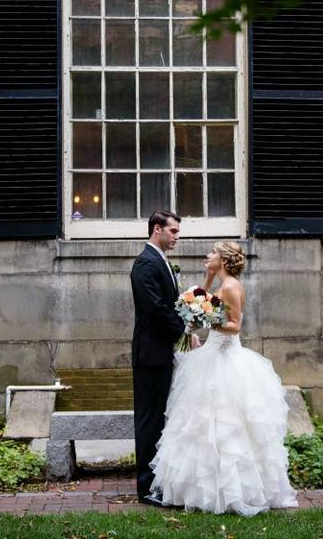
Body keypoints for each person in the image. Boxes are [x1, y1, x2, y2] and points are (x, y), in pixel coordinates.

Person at [149, 241, 299, 516]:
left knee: (225, 427)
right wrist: (204, 285)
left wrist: (205, 320)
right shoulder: (221, 282)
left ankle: (230, 492)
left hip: (225, 358)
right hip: (209, 355)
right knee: (198, 425)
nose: (208, 256)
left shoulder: (231, 287)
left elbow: (235, 326)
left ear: (225, 260)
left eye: (213, 253)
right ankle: (200, 490)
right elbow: (202, 297)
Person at [130, 210, 186, 504]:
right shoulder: (145, 264)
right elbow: (155, 308)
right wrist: (184, 332)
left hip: (161, 353)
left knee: (159, 419)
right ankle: (146, 488)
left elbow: (168, 304)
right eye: (173, 231)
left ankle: (158, 481)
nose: (177, 236)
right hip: (150, 354)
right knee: (149, 420)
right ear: (157, 230)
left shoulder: (160, 261)